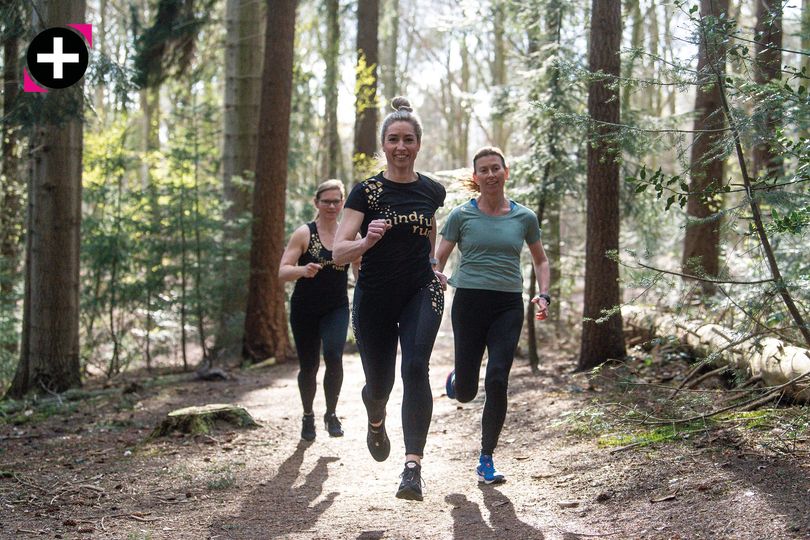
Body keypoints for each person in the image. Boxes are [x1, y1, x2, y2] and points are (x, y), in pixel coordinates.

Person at [333, 97, 446, 501]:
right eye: (394, 139)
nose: (401, 147)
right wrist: (366, 240)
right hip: (375, 297)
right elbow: (337, 252)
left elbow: (428, 229)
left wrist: (433, 263)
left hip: (420, 290)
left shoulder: (432, 190)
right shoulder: (367, 192)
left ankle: (412, 467)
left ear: (418, 144)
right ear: (384, 144)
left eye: (409, 139)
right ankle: (376, 418)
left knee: (416, 367)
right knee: (378, 384)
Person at [434, 146, 551, 485]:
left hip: (507, 305)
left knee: (498, 378)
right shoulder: (461, 215)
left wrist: (543, 293)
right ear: (475, 177)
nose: (489, 174)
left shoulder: (524, 217)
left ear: (505, 172)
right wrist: (436, 275)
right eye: (483, 169)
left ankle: (486, 458)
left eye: (495, 168)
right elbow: (439, 257)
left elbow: (540, 260)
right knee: (468, 391)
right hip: (469, 303)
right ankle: (459, 378)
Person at [279, 179, 357, 442]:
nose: (332, 206)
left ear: (343, 203)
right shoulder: (304, 233)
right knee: (309, 366)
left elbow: (360, 272)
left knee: (334, 355)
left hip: (336, 307)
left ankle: (331, 414)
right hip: (305, 309)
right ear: (317, 203)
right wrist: (303, 270)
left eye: (337, 201)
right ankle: (308, 415)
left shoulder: (350, 236)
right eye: (327, 201)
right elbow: (282, 271)